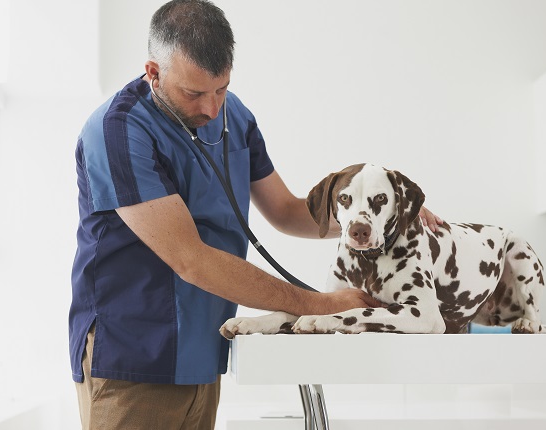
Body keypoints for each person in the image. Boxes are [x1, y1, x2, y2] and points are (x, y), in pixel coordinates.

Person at [69, 1, 442, 428]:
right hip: (132, 357)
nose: (211, 109)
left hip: (201, 352)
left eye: (221, 87)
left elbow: (286, 210)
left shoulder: (234, 114)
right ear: (153, 72)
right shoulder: (117, 131)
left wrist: (380, 214)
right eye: (194, 93)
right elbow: (191, 259)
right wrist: (319, 306)